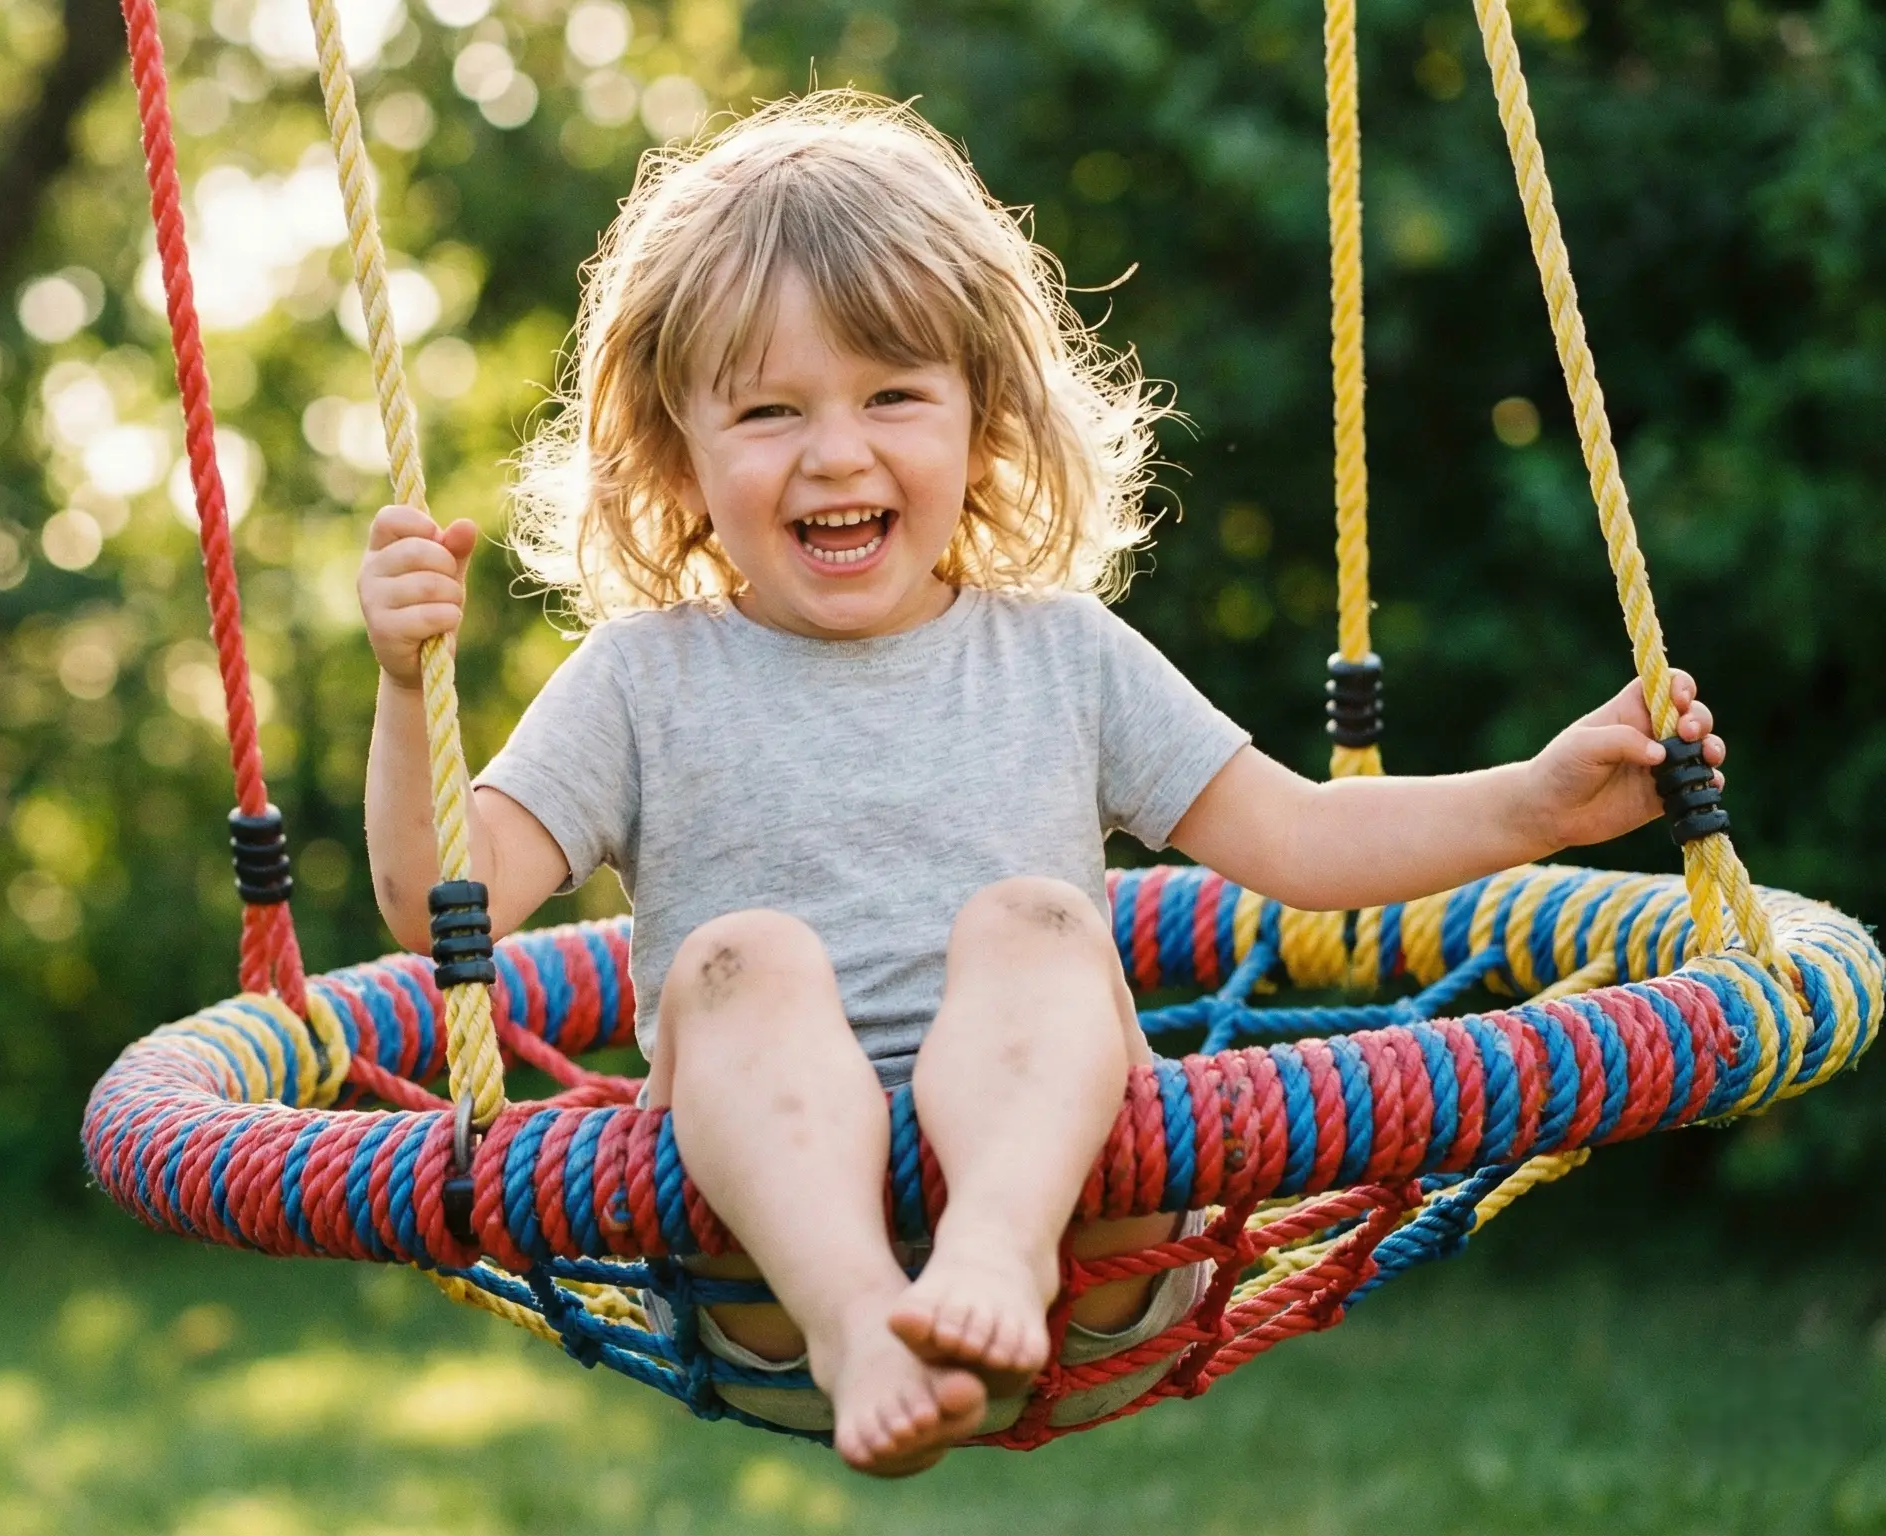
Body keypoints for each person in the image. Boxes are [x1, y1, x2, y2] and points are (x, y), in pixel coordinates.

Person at [355, 91, 1722, 1476]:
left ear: (981, 420)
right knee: (737, 960)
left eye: (893, 395)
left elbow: (1303, 838)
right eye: (769, 411)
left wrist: (1540, 803)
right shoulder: (641, 681)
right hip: (755, 1290)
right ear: (678, 454)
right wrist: (411, 694)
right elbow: (437, 904)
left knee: (1043, 925)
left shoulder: (1059, 653)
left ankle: (989, 1260)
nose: (837, 451)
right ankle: (865, 1322)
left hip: (1083, 1250)